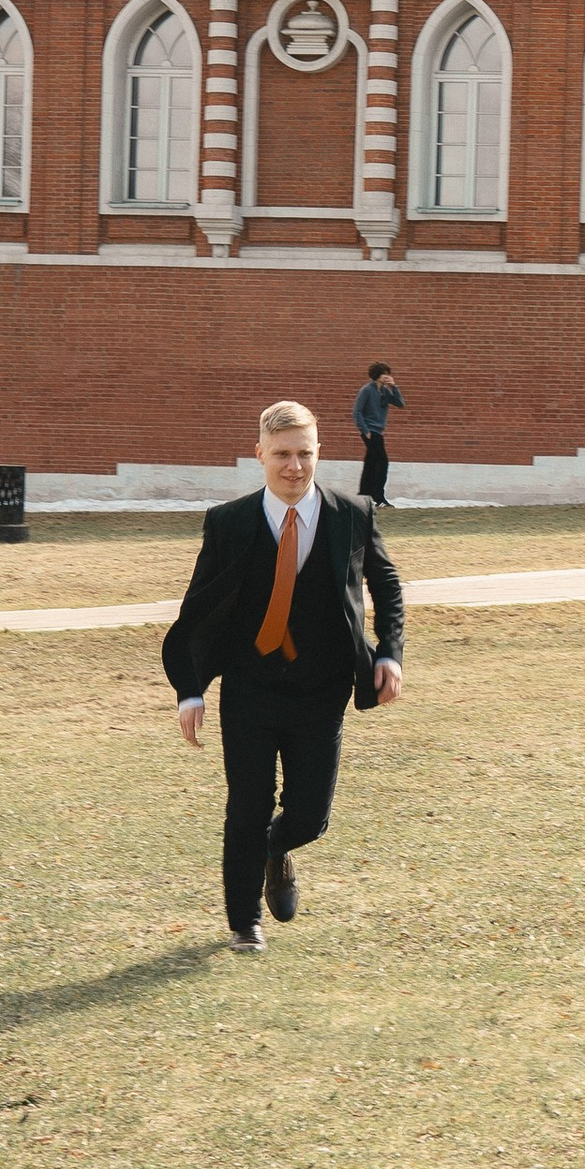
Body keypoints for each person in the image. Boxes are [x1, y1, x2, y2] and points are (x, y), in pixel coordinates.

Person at [165, 401, 406, 954]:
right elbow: (198, 610)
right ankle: (244, 923)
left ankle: (277, 850)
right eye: (281, 455)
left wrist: (389, 653)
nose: (294, 466)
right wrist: (191, 688)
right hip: (249, 688)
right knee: (247, 805)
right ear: (260, 456)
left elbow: (387, 586)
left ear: (319, 452)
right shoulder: (229, 522)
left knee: (309, 814)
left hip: (322, 691)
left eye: (304, 453)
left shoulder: (353, 513)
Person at [352, 361, 404, 502]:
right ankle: (378, 496)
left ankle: (364, 494)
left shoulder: (385, 391)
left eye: (388, 374)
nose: (386, 376)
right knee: (382, 462)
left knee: (371, 462)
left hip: (378, 431)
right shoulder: (367, 390)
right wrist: (365, 430)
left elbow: (400, 403)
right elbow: (357, 412)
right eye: (383, 374)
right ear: (376, 375)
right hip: (370, 431)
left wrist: (394, 386)